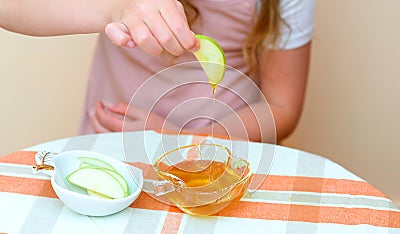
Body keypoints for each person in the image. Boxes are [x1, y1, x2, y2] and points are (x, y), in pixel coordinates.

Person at [0, 0, 314, 143]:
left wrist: (185, 142)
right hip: (111, 144)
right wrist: (114, 7)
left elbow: (281, 106)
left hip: (216, 162)